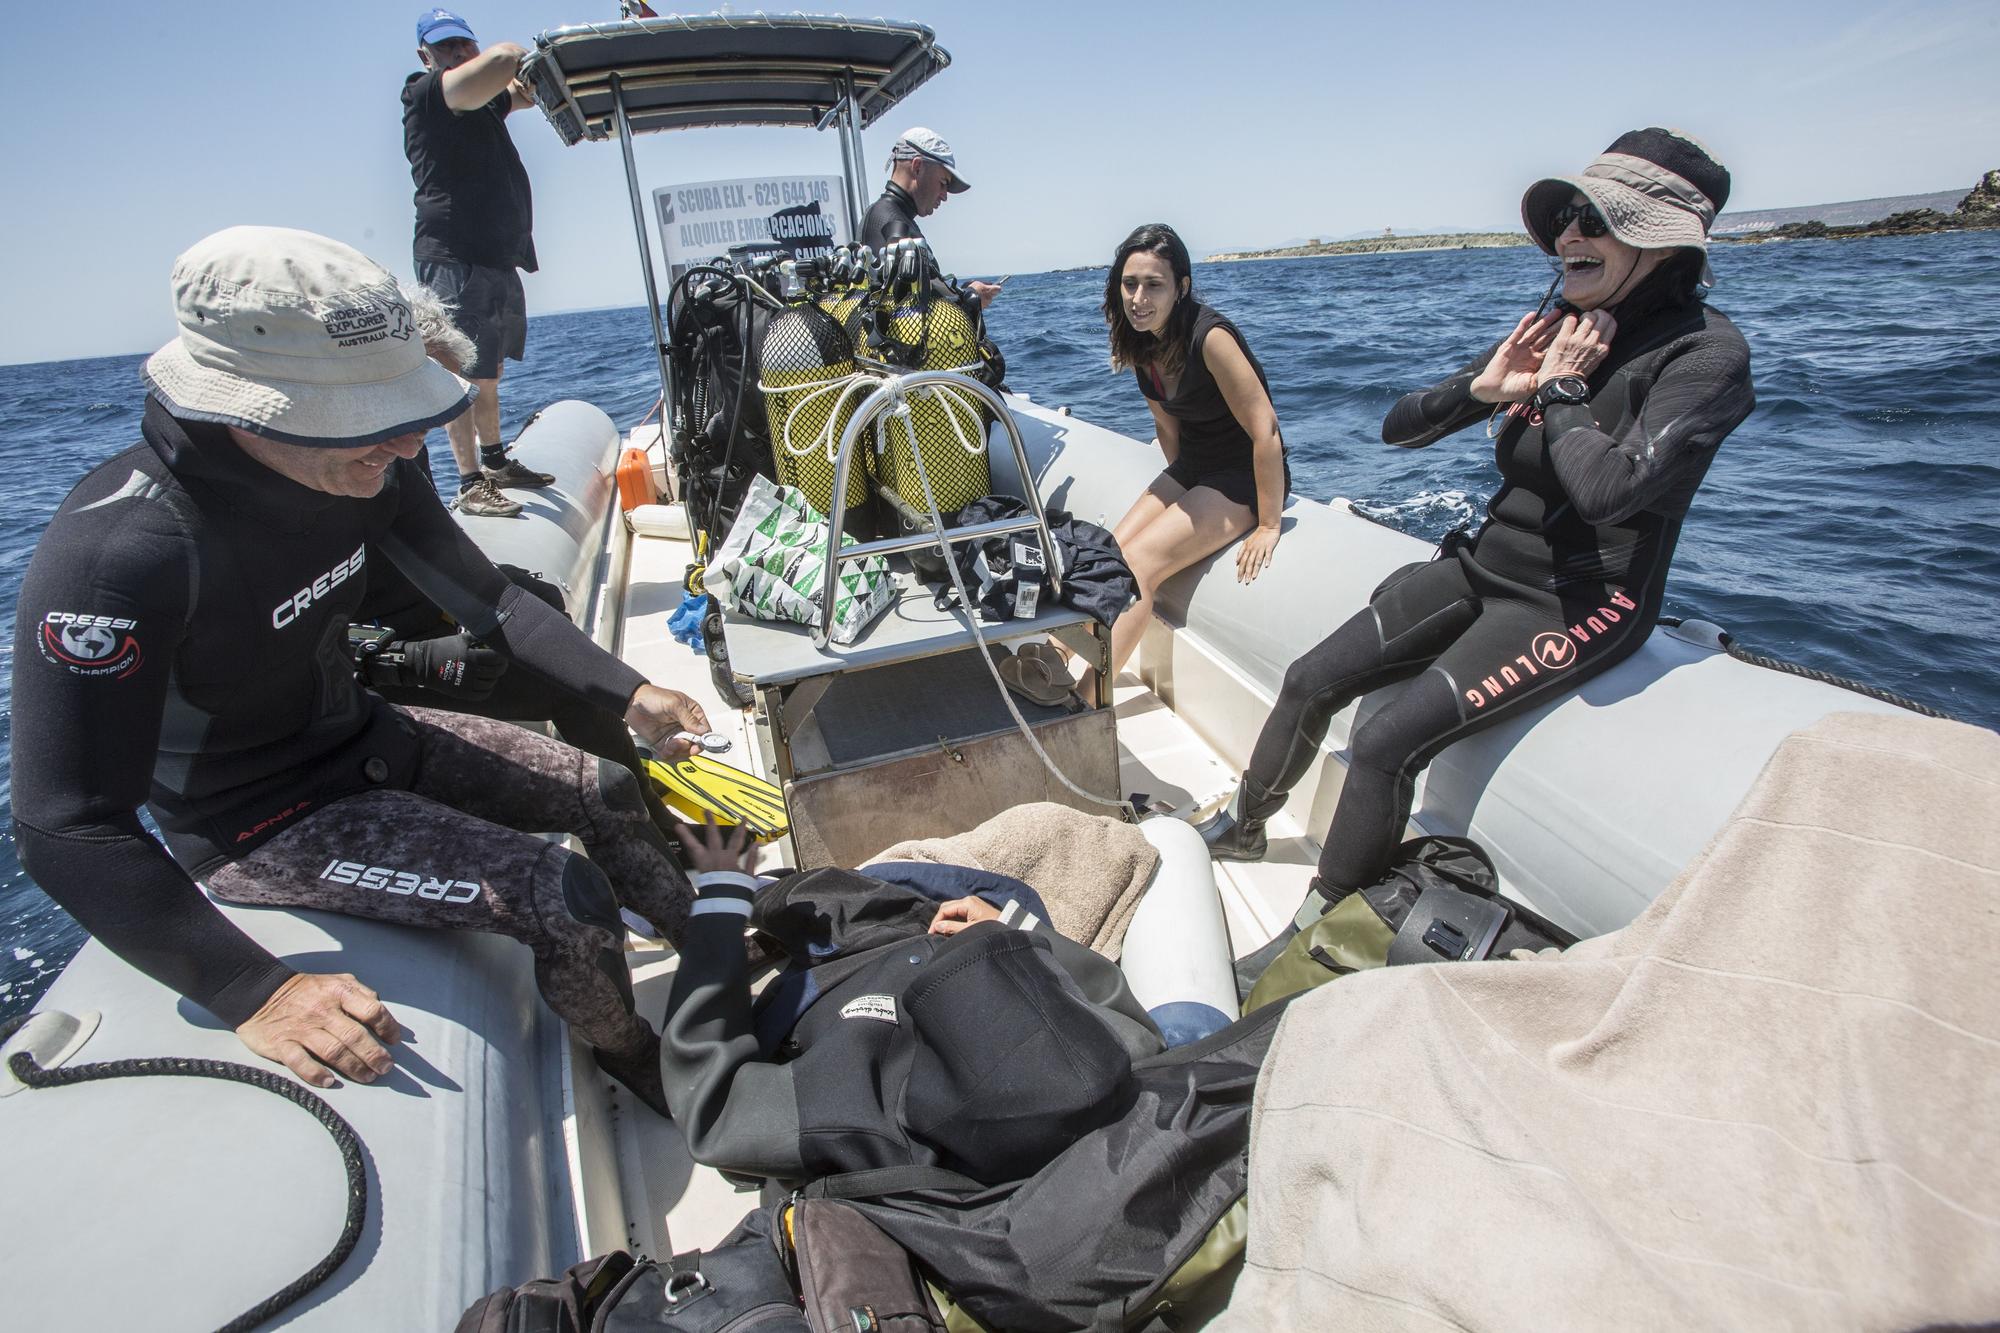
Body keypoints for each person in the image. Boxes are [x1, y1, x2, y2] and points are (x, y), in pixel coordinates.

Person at [9, 226, 716, 1112]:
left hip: (361, 736)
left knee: (605, 787)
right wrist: (251, 989)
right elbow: (65, 826)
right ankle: (643, 1064)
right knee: (558, 891)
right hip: (256, 820)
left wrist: (633, 691)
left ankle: (717, 948)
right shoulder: (120, 553)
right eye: (367, 423)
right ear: (246, 406)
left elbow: (492, 605)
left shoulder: (367, 464)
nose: (408, 449)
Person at [1198, 129, 1756, 922]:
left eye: (1595, 218)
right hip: (1483, 565)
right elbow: (1399, 427)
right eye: (1566, 213)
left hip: (1578, 602)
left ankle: (1317, 929)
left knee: (1388, 741)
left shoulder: (1706, 355)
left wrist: (1560, 394)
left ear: (1660, 245)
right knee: (1308, 678)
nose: (1569, 234)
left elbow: (1610, 492)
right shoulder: (1560, 324)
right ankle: (1244, 826)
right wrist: (1486, 390)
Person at [355, 283, 689, 859]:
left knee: (559, 645)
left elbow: (480, 591)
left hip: (414, 629)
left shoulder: (390, 461)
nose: (422, 433)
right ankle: (632, 838)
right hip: (366, 681)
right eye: (418, 401)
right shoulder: (275, 495)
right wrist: (391, 661)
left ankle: (650, 829)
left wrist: (632, 692)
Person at [1082, 223, 1288, 699]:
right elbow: (1167, 428)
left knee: (1137, 568)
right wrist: (1182, 494)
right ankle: (1064, 662)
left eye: (1154, 285)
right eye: (1130, 284)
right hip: (1195, 465)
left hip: (1240, 475)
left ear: (1183, 287)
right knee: (1103, 555)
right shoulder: (1141, 341)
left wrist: (1269, 524)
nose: (1138, 297)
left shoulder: (1210, 337)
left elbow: (1266, 430)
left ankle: (1088, 700)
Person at [403, 6, 554, 518]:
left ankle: (495, 462)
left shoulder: (484, 104)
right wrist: (513, 57)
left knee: (488, 372)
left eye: (464, 45)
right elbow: (509, 61)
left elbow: (527, 91)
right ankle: (470, 484)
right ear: (426, 56)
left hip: (494, 257)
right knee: (460, 373)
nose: (458, 54)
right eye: (446, 48)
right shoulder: (427, 94)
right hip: (453, 255)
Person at [860, 127, 1001, 308]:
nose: (944, 196)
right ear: (917, 167)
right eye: (943, 183)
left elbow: (920, 295)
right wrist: (972, 298)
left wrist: (965, 292)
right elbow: (915, 313)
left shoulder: (885, 216)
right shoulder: (891, 224)